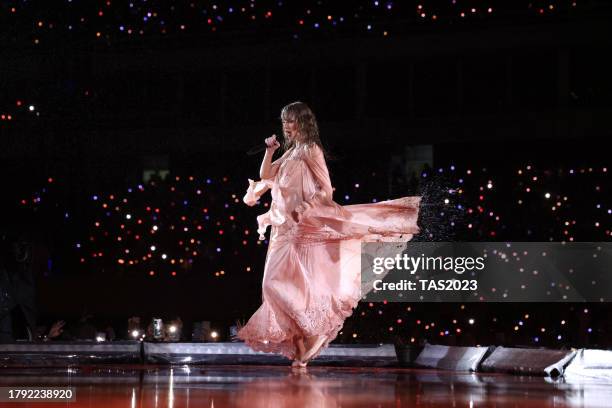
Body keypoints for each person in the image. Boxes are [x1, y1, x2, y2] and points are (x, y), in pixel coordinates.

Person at [236, 101, 421, 368]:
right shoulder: (290, 153)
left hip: (302, 228)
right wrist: (270, 150)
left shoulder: (311, 149)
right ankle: (301, 343)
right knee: (270, 287)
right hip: (281, 229)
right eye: (284, 121)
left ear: (303, 122)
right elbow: (266, 174)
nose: (286, 126)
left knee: (295, 288)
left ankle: (308, 340)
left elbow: (326, 190)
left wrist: (307, 205)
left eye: (291, 121)